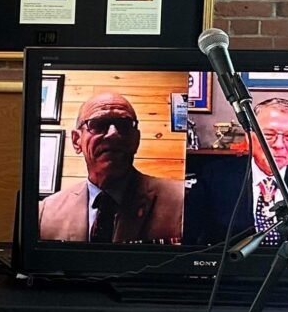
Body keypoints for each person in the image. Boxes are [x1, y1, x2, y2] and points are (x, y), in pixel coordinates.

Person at [38, 92, 184, 243]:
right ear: (76, 141)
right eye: (99, 124)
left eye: (124, 125)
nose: (113, 134)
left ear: (136, 139)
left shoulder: (182, 201)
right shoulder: (45, 213)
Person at [184, 98, 288, 246]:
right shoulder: (215, 178)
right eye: (268, 135)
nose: (279, 145)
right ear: (250, 136)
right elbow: (190, 238)